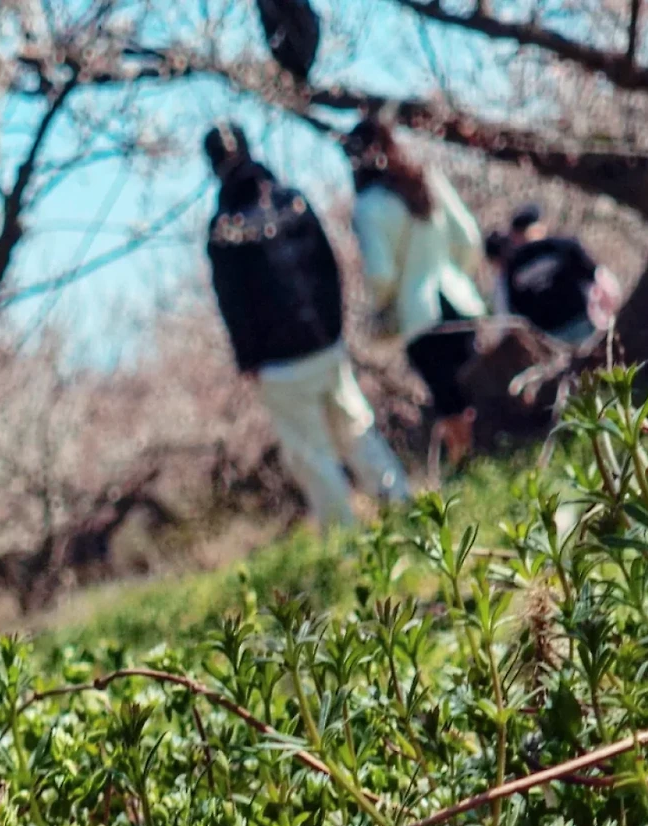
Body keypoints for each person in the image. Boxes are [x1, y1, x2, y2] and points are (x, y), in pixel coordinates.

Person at [204, 123, 410, 532]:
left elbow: (233, 302)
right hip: (324, 345)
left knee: (311, 454)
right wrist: (332, 328)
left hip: (278, 366)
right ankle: (401, 505)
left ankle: (345, 537)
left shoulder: (224, 229)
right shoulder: (291, 202)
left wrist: (249, 359)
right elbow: (328, 268)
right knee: (357, 428)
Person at [346, 117, 486, 467]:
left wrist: (384, 308)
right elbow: (468, 237)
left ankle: (471, 465)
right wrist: (458, 275)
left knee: (449, 402)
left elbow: (380, 275)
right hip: (460, 300)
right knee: (478, 388)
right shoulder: (426, 178)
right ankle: (495, 452)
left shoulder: (368, 206)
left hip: (418, 315)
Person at [499, 202, 620, 346]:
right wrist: (611, 308)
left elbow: (513, 311)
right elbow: (599, 278)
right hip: (580, 321)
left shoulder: (512, 269)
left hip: (549, 335)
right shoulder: (561, 247)